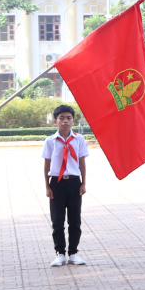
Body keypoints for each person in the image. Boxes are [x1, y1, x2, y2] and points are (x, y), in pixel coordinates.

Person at [43, 104, 90, 267]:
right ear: (55, 121)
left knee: (75, 220)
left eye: (69, 118)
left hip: (74, 182)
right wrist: (47, 186)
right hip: (56, 183)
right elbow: (47, 164)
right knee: (57, 220)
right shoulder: (50, 141)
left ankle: (74, 253)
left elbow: (82, 161)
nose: (65, 121)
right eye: (61, 118)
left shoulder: (79, 139)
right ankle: (60, 253)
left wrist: (83, 183)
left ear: (73, 121)